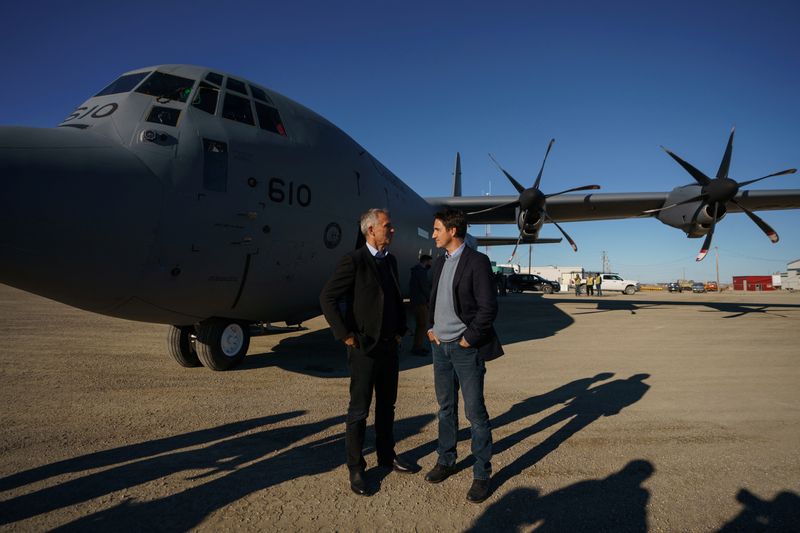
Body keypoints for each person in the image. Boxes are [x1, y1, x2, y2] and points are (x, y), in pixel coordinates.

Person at [319, 208, 416, 496]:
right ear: (371, 230)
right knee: (359, 411)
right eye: (388, 225)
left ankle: (386, 456)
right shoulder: (354, 260)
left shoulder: (391, 261)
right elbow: (327, 298)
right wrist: (346, 335)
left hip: (390, 348)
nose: (393, 230)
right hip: (364, 350)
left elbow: (395, 299)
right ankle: (356, 467)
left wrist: (401, 330)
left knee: (387, 407)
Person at [425, 209, 503, 504]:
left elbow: (488, 308)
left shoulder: (477, 262)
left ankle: (481, 473)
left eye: (436, 229)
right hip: (439, 346)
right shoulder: (439, 262)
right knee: (445, 408)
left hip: (464, 349)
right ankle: (446, 459)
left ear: (452, 231)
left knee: (475, 413)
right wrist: (430, 327)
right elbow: (434, 298)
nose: (433, 234)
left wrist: (469, 339)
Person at [409, 254, 433, 356]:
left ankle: (418, 346)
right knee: (422, 325)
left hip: (416, 301)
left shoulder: (416, 271)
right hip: (420, 302)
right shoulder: (421, 272)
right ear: (426, 261)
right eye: (430, 262)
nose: (431, 264)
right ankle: (417, 347)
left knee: (420, 325)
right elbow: (425, 287)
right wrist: (430, 299)